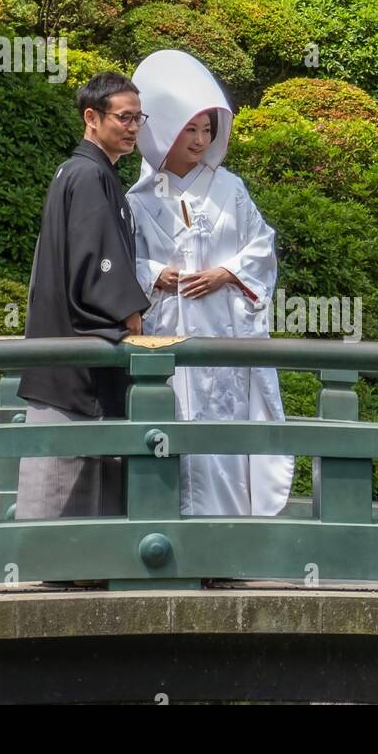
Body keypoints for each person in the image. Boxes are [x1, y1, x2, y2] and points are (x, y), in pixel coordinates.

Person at [127, 49, 293, 517]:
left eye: (207, 129)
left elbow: (262, 245)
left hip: (223, 332)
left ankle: (227, 538)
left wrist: (227, 272)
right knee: (169, 426)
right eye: (190, 129)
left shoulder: (230, 189)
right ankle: (168, 531)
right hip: (168, 332)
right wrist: (154, 273)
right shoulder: (136, 199)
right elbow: (125, 259)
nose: (200, 141)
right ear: (165, 130)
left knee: (223, 429)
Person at [15, 71, 151, 520]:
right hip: (76, 350)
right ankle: (70, 564)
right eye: (124, 117)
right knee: (73, 457)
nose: (132, 128)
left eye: (138, 118)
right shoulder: (89, 174)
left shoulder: (83, 171)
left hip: (61, 338)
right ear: (91, 117)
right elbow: (97, 261)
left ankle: (75, 566)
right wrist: (129, 311)